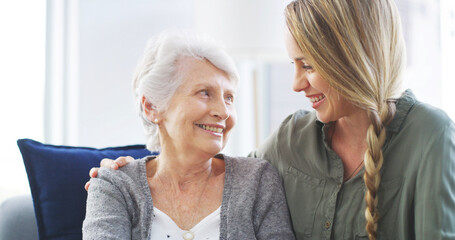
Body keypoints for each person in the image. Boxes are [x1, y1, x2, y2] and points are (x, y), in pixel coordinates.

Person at [88, 0, 455, 239]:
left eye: (308, 65)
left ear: (350, 58)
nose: (296, 84)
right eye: (293, 65)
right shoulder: (290, 140)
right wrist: (127, 169)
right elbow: (208, 167)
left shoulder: (430, 137)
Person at [82, 31, 295, 240]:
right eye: (204, 93)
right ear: (152, 107)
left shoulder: (257, 180)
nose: (223, 111)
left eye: (229, 97)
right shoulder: (115, 185)